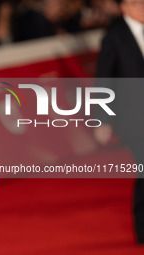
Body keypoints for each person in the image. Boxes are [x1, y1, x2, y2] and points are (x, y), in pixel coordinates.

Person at [94, 0, 144, 245]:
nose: (143, 7)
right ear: (123, 7)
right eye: (137, 3)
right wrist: (102, 119)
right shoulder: (114, 36)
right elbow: (104, 80)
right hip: (133, 119)